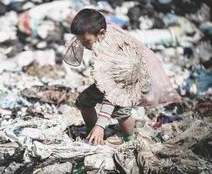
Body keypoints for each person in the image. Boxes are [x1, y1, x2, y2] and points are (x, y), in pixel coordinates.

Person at [63, 9, 181, 145]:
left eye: (86, 42)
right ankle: (92, 133)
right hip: (113, 79)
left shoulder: (114, 53)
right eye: (81, 42)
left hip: (129, 79)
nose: (84, 46)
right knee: (84, 101)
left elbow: (112, 94)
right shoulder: (100, 41)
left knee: (120, 110)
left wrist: (101, 125)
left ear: (101, 33)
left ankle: (129, 139)